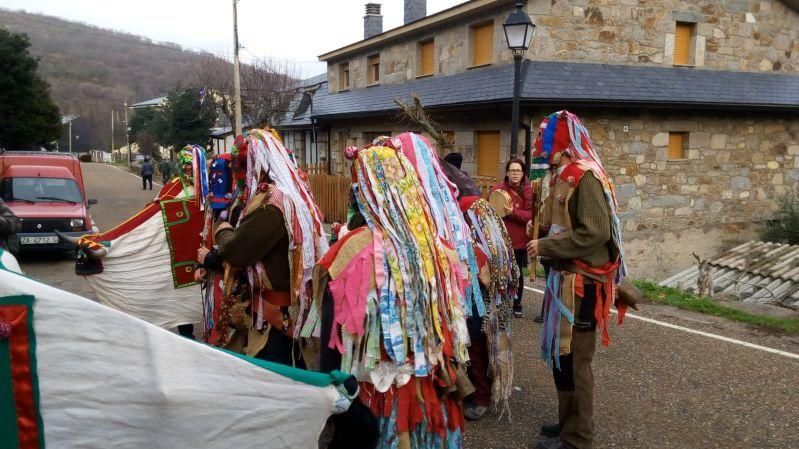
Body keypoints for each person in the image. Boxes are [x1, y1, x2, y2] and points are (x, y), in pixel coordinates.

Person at [317, 134, 471, 448]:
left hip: (375, 400)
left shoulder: (351, 252)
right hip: (430, 391)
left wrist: (332, 389)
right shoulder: (440, 250)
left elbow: (332, 345)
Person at [526, 111, 629, 449]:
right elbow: (567, 226)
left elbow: (596, 233)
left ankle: (578, 438)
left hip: (583, 285)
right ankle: (567, 420)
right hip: (564, 279)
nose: (540, 149)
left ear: (562, 142)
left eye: (544, 141)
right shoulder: (564, 175)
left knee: (576, 360)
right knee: (562, 356)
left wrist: (546, 244)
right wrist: (540, 231)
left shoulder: (586, 176)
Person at [212, 129, 327, 367]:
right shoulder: (287, 195)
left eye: (241, 167)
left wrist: (222, 230)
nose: (237, 175)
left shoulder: (271, 205)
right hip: (283, 314)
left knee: (275, 380)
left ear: (258, 166)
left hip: (275, 320)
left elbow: (237, 251)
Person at [459, 196, 518, 422]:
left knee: (477, 346)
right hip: (484, 305)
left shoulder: (479, 246)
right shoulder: (497, 240)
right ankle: (479, 390)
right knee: (480, 346)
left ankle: (482, 397)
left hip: (480, 307)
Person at [492, 158, 534, 318]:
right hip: (501, 240)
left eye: (518, 171)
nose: (515, 174)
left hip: (519, 241)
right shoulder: (497, 189)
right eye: (512, 170)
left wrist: (513, 213)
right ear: (507, 172)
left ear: (523, 173)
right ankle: (501, 301)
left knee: (517, 274)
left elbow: (532, 216)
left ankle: (517, 304)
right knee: (500, 272)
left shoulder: (528, 192)